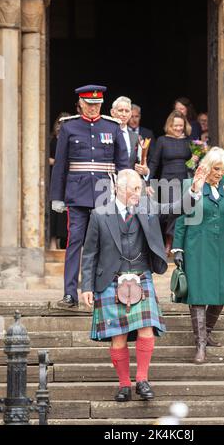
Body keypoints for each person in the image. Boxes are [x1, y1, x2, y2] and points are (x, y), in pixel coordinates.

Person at [81, 169, 202, 401]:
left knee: (146, 329)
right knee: (119, 336)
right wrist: (86, 286)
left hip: (141, 276)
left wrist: (194, 191)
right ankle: (124, 385)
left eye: (139, 188)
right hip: (110, 279)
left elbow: (175, 208)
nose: (139, 193)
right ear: (119, 189)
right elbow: (89, 254)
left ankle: (142, 380)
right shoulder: (99, 215)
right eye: (134, 189)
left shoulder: (146, 208)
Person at [50, 85, 129, 308]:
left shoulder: (112, 127)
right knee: (75, 242)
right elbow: (60, 166)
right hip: (76, 195)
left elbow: (123, 164)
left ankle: (103, 290)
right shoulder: (69, 127)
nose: (93, 108)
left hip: (105, 194)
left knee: (107, 243)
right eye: (89, 104)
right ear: (81, 104)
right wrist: (57, 196)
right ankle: (69, 294)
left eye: (97, 105)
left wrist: (124, 193)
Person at [172, 147, 224, 363]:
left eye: (223, 170)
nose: (220, 173)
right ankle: (200, 344)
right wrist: (178, 248)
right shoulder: (193, 186)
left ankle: (208, 332)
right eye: (216, 169)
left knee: (223, 291)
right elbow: (182, 218)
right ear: (206, 167)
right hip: (197, 245)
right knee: (198, 294)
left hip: (221, 245)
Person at [148, 110, 196, 256]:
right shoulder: (162, 140)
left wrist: (194, 160)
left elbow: (190, 165)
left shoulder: (189, 141)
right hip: (167, 180)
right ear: (170, 125)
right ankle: (169, 241)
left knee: (184, 211)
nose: (178, 128)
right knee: (172, 211)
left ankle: (177, 242)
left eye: (181, 126)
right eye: (175, 125)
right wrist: (147, 181)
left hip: (185, 180)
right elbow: (154, 162)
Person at [111, 97, 149, 178]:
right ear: (112, 112)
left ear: (130, 114)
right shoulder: (105, 134)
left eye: (127, 111)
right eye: (120, 110)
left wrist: (145, 171)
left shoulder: (136, 137)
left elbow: (141, 164)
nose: (124, 114)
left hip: (129, 184)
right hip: (108, 182)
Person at [49, 112, 70, 249]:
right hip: (51, 178)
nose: (60, 127)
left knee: (63, 212)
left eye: (64, 124)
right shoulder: (51, 140)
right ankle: (52, 242)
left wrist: (57, 162)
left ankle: (61, 242)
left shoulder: (70, 142)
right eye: (58, 123)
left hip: (67, 179)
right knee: (52, 212)